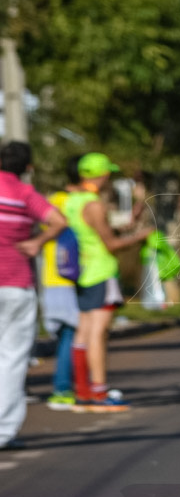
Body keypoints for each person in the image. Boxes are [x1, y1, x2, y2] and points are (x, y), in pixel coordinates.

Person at [67, 152, 152, 412]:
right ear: (101, 175)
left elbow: (103, 232)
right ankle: (100, 392)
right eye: (108, 174)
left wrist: (134, 215)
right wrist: (142, 236)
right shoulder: (94, 204)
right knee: (98, 332)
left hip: (82, 271)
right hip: (101, 271)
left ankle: (82, 392)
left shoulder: (72, 201)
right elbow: (111, 244)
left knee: (83, 330)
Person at [0, 141, 67, 448]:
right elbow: (59, 221)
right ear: (28, 168)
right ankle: (3, 431)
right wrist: (38, 242)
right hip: (16, 285)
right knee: (13, 359)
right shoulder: (26, 194)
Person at [40, 155, 82, 410]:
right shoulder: (81, 204)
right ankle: (63, 388)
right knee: (71, 333)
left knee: (64, 334)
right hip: (73, 280)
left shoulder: (53, 202)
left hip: (50, 278)